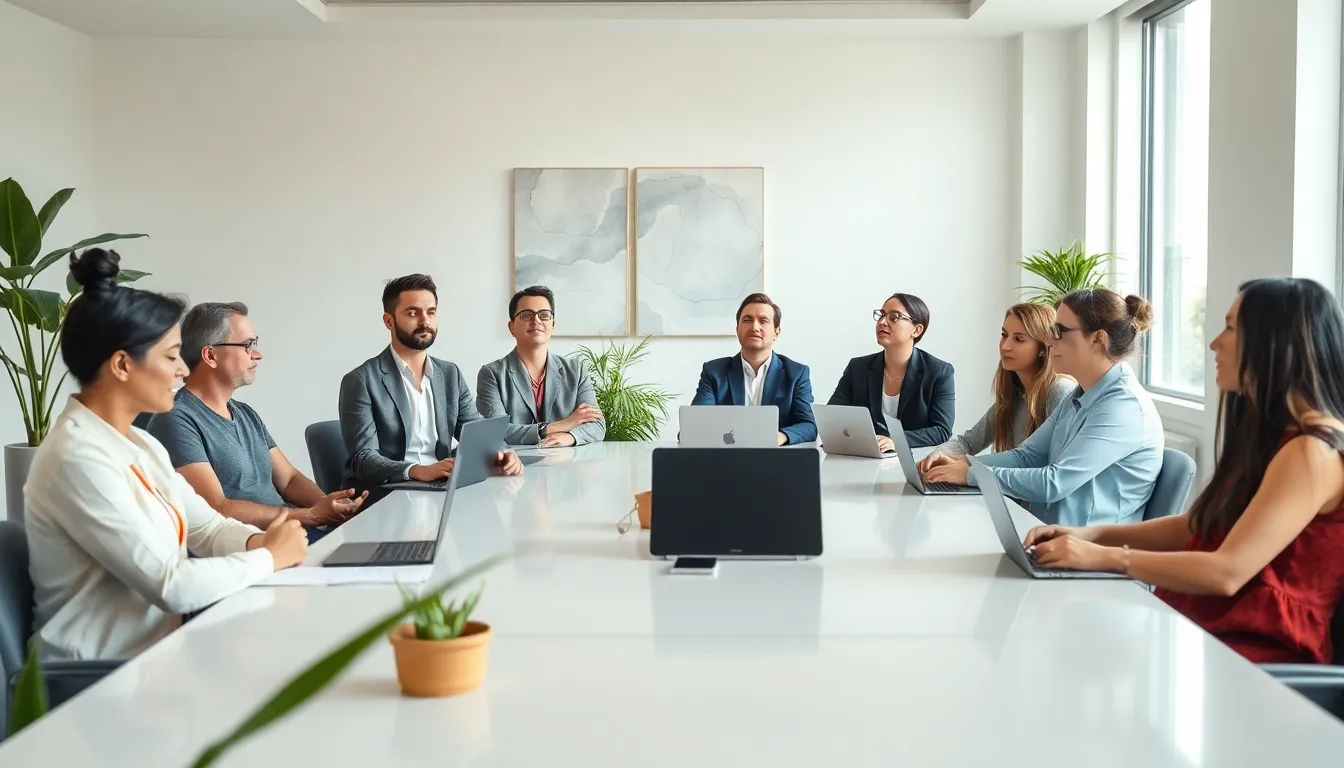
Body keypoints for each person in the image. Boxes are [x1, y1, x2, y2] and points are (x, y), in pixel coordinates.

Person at [1019, 278, 1344, 665]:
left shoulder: (1312, 451)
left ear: (1277, 341)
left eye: (1231, 327)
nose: (1214, 343)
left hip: (1255, 654)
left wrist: (1103, 556)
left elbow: (1227, 572)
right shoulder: (1276, 437)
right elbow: (1202, 525)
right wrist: (1092, 534)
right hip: (1209, 628)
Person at [24, 249, 307, 660]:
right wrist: (267, 556)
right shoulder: (76, 458)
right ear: (122, 365)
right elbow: (170, 585)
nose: (182, 371)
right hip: (95, 679)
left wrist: (263, 541)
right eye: (171, 356)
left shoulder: (140, 445)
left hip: (156, 657)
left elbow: (207, 530)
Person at [924, 288, 1163, 527]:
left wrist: (971, 474)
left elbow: (1055, 482)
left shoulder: (1123, 407)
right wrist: (964, 464)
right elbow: (1026, 456)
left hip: (1087, 552)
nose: (1049, 341)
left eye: (1059, 331)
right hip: (1046, 533)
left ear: (1098, 339)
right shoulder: (1080, 395)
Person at [148, 302, 367, 544]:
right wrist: (311, 516)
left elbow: (289, 479)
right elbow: (216, 508)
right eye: (247, 345)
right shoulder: (176, 419)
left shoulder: (246, 413)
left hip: (296, 531)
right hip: (254, 545)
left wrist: (333, 507)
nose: (257, 354)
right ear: (210, 355)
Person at [338, 274, 522, 489]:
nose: (425, 322)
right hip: (388, 491)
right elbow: (363, 457)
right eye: (412, 313)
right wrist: (417, 471)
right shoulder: (361, 380)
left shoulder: (449, 374)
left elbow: (476, 431)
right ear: (389, 321)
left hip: (441, 485)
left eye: (431, 312)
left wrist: (503, 453)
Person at [919, 303, 1074, 466]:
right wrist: (937, 454)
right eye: (1004, 335)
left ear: (1043, 348)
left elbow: (1054, 469)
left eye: (1019, 339)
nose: (1005, 346)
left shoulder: (1060, 390)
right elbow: (968, 443)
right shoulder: (1014, 396)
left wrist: (969, 468)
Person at [476, 286, 605, 447]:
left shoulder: (576, 371)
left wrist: (569, 437)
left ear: (553, 324)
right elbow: (496, 431)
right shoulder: (492, 374)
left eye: (544, 315)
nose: (536, 320)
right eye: (526, 315)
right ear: (512, 327)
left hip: (567, 463)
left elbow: (597, 425)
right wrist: (562, 425)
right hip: (512, 465)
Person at [828, 292, 954, 450]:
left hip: (914, 460)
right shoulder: (858, 368)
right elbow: (833, 416)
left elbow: (941, 430)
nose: (882, 322)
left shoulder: (939, 372)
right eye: (881, 315)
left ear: (916, 330)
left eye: (894, 317)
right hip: (865, 457)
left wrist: (896, 440)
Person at [690, 293, 816, 445]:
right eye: (747, 320)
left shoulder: (796, 373)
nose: (754, 327)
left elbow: (809, 426)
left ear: (776, 332)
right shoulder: (714, 372)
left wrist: (779, 436)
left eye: (763, 321)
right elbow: (694, 425)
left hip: (776, 460)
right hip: (725, 458)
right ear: (737, 330)